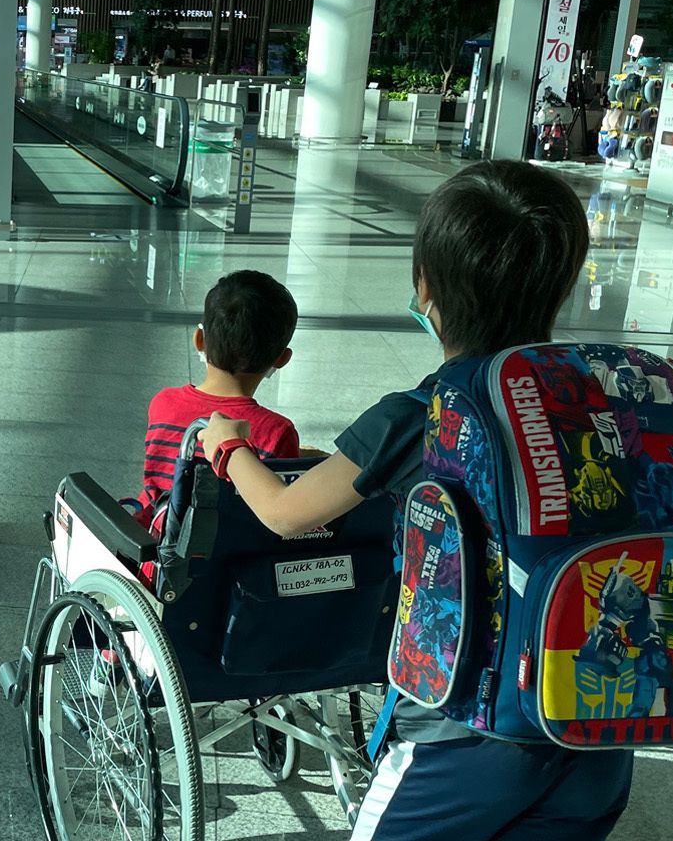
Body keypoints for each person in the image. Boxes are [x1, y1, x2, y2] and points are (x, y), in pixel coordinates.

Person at [197, 161, 619, 841]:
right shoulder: (603, 398)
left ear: (426, 287)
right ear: (563, 279)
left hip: (465, 732)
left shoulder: (423, 415)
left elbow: (283, 511)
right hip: (596, 720)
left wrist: (228, 446)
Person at [135, 270, 301, 529]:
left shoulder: (163, 403)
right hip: (218, 555)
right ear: (282, 359)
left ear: (199, 340)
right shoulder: (277, 431)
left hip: (151, 535)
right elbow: (279, 505)